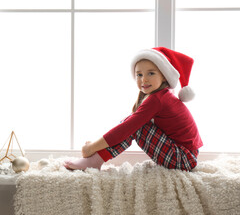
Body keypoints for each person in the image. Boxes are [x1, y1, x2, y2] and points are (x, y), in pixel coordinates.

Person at [64, 47, 203, 171]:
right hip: (186, 155)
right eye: (139, 74)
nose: (144, 80)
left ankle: (94, 160)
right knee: (133, 122)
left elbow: (125, 129)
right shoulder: (161, 95)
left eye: (151, 73)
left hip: (184, 158)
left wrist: (92, 147)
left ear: (164, 76)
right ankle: (95, 159)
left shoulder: (158, 99)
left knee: (135, 125)